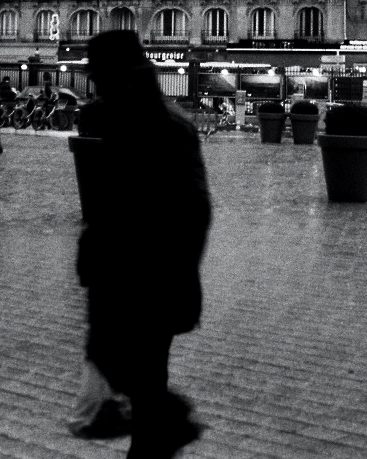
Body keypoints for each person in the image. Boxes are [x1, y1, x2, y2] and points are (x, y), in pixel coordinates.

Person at [76, 31, 211, 458]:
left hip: (139, 282)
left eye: (98, 77)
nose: (95, 86)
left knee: (132, 373)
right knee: (141, 374)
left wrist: (103, 252)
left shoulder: (150, 126)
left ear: (116, 77)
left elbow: (189, 212)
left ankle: (172, 423)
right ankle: (162, 428)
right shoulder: (135, 119)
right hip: (139, 280)